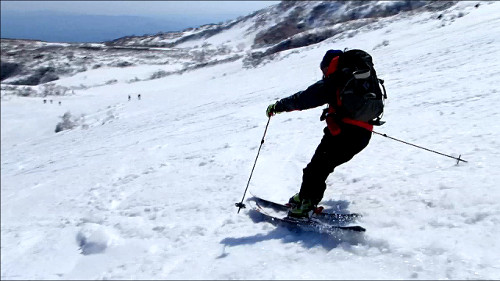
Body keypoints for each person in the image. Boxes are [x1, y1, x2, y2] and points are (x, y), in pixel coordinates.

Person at [265, 49, 374, 218]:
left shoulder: (336, 80)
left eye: (324, 70)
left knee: (316, 169)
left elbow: (304, 98)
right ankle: (304, 197)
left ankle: (306, 204)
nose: (324, 74)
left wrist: (278, 106)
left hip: (343, 134)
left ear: (330, 65)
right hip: (362, 134)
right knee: (320, 167)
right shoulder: (359, 79)